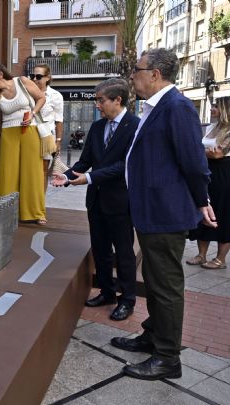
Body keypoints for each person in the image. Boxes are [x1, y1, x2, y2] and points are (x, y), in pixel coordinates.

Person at [111, 48, 216, 381]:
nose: (132, 75)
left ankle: (168, 358)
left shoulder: (177, 107)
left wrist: (202, 199)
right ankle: (153, 336)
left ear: (155, 74)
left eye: (137, 69)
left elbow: (194, 162)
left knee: (167, 286)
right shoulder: (156, 107)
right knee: (155, 281)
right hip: (150, 209)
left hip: (165, 212)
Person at [51, 78, 139, 321]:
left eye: (101, 100)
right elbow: (85, 161)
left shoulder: (135, 126)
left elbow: (124, 165)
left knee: (124, 253)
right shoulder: (98, 127)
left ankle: (127, 300)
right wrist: (67, 176)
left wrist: (89, 178)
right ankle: (107, 292)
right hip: (96, 201)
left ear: (117, 100)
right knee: (100, 250)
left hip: (120, 201)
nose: (97, 105)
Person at [0, 63, 46, 223]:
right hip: (9, 133)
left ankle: (36, 213)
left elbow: (41, 98)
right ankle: (5, 213)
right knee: (8, 172)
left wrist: (32, 113)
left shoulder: (22, 81)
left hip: (30, 129)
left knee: (32, 172)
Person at [186, 97, 230, 269]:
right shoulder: (211, 127)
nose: (212, 109)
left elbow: (218, 154)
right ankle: (201, 255)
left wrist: (198, 151)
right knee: (203, 210)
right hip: (207, 173)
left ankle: (220, 259)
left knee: (223, 214)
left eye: (215, 106)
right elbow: (207, 150)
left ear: (225, 109)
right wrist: (205, 151)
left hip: (224, 175)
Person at [31, 63, 64, 191]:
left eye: (38, 76)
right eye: (32, 76)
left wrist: (58, 141)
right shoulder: (28, 93)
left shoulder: (56, 96)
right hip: (30, 134)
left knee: (43, 171)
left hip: (47, 136)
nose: (34, 79)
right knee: (29, 169)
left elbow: (59, 120)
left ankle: (40, 200)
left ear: (47, 78)